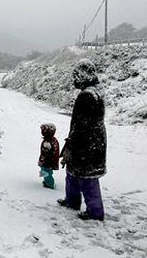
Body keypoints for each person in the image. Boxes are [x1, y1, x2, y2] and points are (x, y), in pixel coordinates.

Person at [58, 59, 107, 221]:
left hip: (87, 143)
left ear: (84, 76)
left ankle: (95, 212)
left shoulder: (87, 95)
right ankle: (72, 201)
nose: (74, 80)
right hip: (94, 140)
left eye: (77, 76)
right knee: (73, 172)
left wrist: (71, 143)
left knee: (87, 178)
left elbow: (82, 124)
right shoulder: (96, 91)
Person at [38, 123, 60, 189]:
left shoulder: (48, 142)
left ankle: (50, 184)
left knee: (47, 172)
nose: (42, 132)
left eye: (43, 131)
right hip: (47, 161)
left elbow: (47, 153)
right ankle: (46, 181)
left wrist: (43, 160)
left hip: (48, 162)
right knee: (44, 171)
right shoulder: (51, 140)